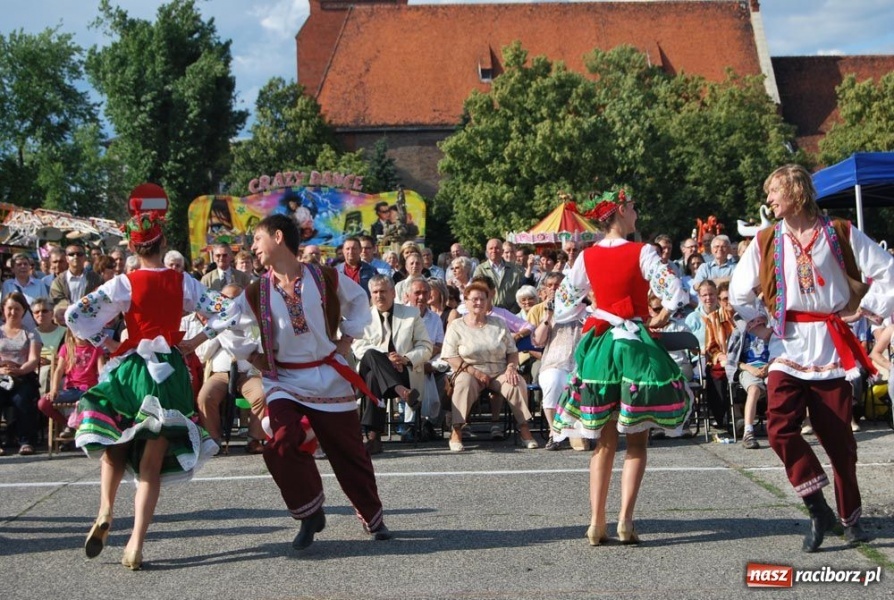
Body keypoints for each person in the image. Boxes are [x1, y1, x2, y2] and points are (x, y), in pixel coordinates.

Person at [66, 189, 235, 570]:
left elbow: (75, 315)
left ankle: (105, 509)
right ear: (163, 243)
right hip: (170, 371)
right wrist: (194, 341)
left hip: (132, 370)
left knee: (115, 443)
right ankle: (136, 543)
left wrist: (108, 341)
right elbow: (228, 310)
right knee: (152, 463)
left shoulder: (124, 283)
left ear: (133, 247)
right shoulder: (183, 281)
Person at [730, 164, 894, 552]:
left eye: (774, 191)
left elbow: (887, 271)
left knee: (840, 442)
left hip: (830, 344)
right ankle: (817, 506)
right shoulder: (767, 239)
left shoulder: (838, 232)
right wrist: (760, 325)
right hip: (786, 346)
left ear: (796, 192)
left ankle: (850, 518)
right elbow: (738, 291)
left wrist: (864, 309)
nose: (769, 199)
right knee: (779, 428)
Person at [206, 213, 392, 549]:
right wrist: (252, 356)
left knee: (349, 452)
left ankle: (373, 517)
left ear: (278, 237)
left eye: (257, 239)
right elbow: (225, 321)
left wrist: (347, 339)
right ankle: (309, 512)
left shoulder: (324, 276)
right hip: (285, 379)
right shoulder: (257, 290)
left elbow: (358, 300)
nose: (253, 247)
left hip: (329, 374)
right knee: (280, 443)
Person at [550, 187, 690, 545]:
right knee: (637, 441)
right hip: (633, 346)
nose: (637, 214)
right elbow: (675, 290)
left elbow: (562, 305)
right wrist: (662, 313)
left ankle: (596, 522)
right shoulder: (641, 251)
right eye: (634, 208)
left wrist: (595, 311)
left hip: (601, 347)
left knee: (603, 441)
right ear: (622, 210)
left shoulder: (587, 256)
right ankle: (626, 521)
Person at [442, 281, 539, 451]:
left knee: (515, 382)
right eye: (474, 299)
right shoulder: (456, 325)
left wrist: (511, 368)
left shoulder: (499, 323)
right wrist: (475, 372)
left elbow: (512, 351)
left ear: (488, 301)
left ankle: (524, 428)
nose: (479, 303)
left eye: (482, 299)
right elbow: (451, 356)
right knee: (464, 384)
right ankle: (457, 430)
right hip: (468, 370)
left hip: (499, 370)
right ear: (466, 301)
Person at [353, 275, 432, 453]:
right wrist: (386, 358)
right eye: (375, 292)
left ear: (393, 293)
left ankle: (374, 438)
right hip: (370, 367)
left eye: (383, 291)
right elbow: (358, 347)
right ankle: (402, 391)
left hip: (403, 370)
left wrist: (405, 358)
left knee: (374, 377)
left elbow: (426, 347)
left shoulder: (411, 314)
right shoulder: (364, 317)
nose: (379, 296)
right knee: (371, 354)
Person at [195, 284, 266, 454]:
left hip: (248, 374)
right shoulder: (214, 322)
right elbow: (202, 355)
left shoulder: (252, 320)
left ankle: (254, 439)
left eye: (235, 298)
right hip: (220, 374)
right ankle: (214, 440)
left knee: (262, 395)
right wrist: (218, 331)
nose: (231, 302)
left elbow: (260, 347)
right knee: (205, 397)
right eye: (226, 299)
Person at [38, 328, 106, 439]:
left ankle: (82, 428)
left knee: (92, 402)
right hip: (71, 390)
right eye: (76, 329)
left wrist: (102, 388)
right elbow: (59, 370)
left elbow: (101, 370)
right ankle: (69, 424)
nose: (80, 332)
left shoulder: (96, 348)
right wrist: (54, 389)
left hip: (90, 390)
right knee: (43, 403)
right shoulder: (66, 348)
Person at [0, 292, 43, 456]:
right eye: (10, 308)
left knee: (22, 399)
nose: (13, 312)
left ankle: (26, 441)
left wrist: (20, 370)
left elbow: (33, 359)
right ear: (3, 309)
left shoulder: (31, 333)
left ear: (24, 310)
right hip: (1, 376)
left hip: (23, 376)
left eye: (17, 309)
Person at [473, 238, 525, 312]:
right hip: (489, 312)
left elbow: (522, 291)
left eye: (497, 248)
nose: (494, 251)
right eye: (491, 248)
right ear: (487, 251)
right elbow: (476, 291)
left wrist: (514, 310)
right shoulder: (480, 270)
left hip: (512, 312)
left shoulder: (515, 269)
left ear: (502, 251)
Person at [1, 252, 49, 329]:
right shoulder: (7, 284)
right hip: (15, 328)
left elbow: (46, 305)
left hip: (35, 328)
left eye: (25, 264)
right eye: (19, 264)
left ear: (29, 267)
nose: (23, 266)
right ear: (13, 269)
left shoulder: (39, 283)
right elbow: (4, 308)